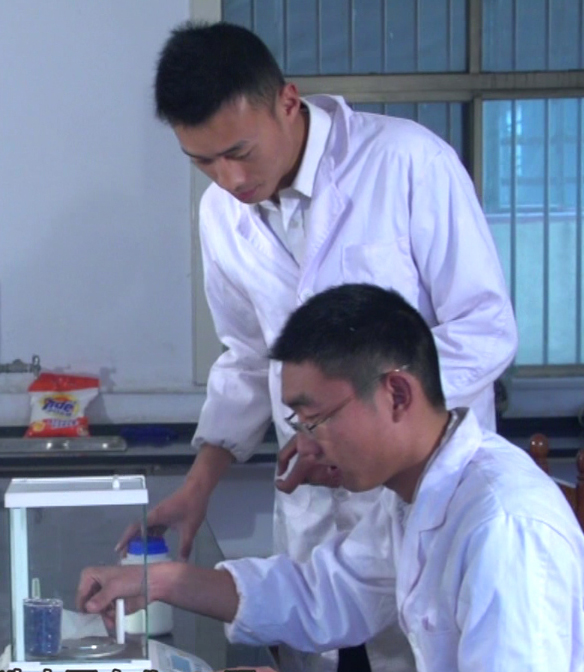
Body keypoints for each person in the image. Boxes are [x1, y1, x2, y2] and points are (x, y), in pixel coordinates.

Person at [117, 20, 518, 672]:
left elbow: (485, 326)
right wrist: (198, 486)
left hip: (423, 488)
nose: (227, 178)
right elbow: (250, 357)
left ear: (288, 101)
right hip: (318, 501)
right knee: (320, 627)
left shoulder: (406, 164)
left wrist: (358, 418)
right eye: (203, 162)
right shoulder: (221, 215)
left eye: (239, 151)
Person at [81, 284, 584, 672]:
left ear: (397, 395)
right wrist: (161, 580)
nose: (305, 446)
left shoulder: (505, 528)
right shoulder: (412, 491)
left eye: (315, 419)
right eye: (298, 424)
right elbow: (324, 593)